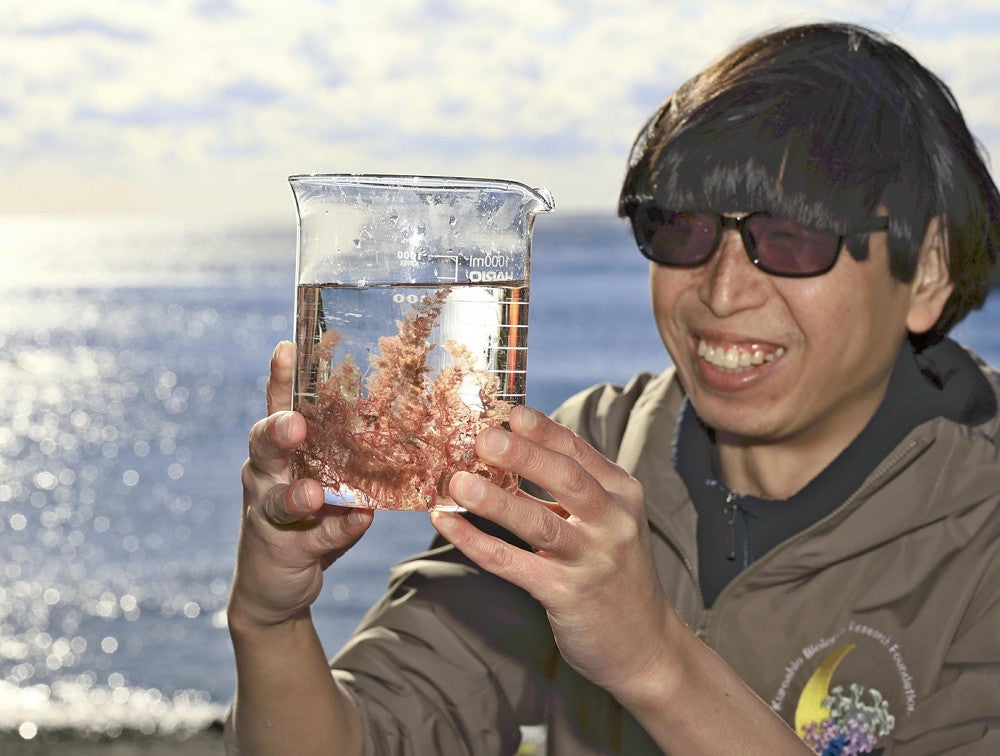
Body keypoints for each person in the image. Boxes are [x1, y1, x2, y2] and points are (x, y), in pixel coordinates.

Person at [225, 21, 1000, 755]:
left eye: (791, 238)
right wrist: (270, 620)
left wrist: (653, 661)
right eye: (682, 230)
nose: (722, 291)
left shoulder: (980, 529)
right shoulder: (588, 461)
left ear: (925, 270)